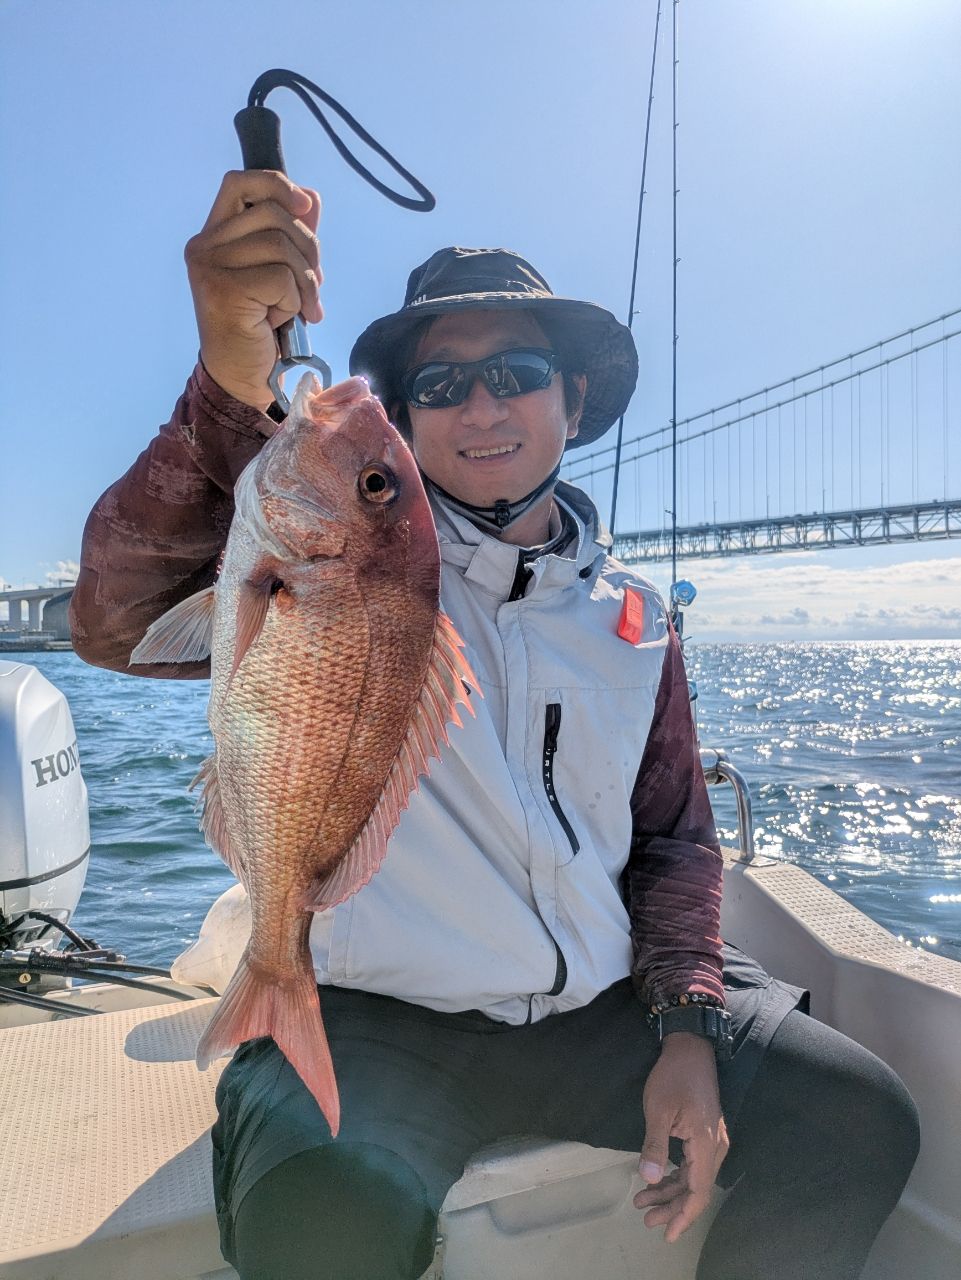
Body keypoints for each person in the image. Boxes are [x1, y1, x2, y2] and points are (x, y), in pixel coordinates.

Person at [70, 171, 920, 1280]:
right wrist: (229, 389)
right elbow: (116, 618)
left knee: (863, 1116)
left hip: (602, 1008)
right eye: (440, 382)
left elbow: (673, 838)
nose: (480, 406)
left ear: (570, 397)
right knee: (322, 1208)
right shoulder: (358, 563)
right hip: (384, 1016)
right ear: (408, 418)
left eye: (514, 374)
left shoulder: (637, 620)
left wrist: (685, 1026)